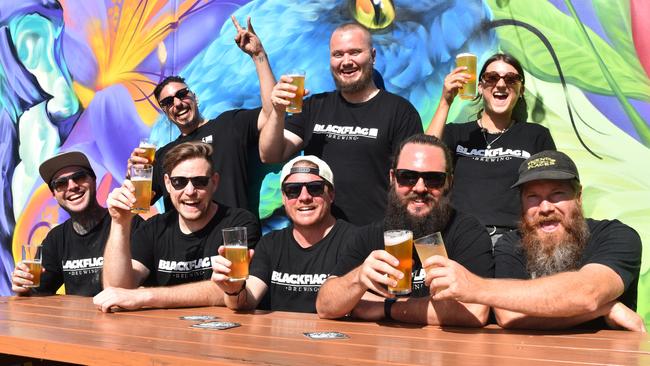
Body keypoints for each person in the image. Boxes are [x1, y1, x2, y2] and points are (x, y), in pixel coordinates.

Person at [424, 150, 645, 331]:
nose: (546, 207)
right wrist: (603, 309)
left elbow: (588, 293)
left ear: (578, 198)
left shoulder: (615, 235)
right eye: (533, 197)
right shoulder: (511, 244)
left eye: (557, 194)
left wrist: (475, 287)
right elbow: (509, 315)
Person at [316, 134, 493, 326]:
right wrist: (358, 279)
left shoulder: (468, 232)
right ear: (393, 178)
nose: (419, 187)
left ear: (449, 182)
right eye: (407, 177)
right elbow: (325, 306)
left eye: (433, 179)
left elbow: (476, 311)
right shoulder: (369, 235)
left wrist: (385, 307)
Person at [258, 23, 423, 226]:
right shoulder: (314, 107)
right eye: (338, 54)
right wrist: (277, 111)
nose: (346, 62)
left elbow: (413, 183)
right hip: (320, 237)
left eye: (355, 52)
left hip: (373, 237)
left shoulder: (399, 111)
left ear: (372, 55)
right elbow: (270, 154)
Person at [128, 16, 276, 214]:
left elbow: (271, 113)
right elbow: (139, 203)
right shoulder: (164, 155)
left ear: (194, 97)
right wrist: (134, 174)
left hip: (232, 238)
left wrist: (258, 54)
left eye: (182, 95)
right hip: (185, 244)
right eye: (168, 102)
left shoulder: (229, 124)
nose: (178, 103)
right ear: (165, 112)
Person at [93, 142, 261, 312]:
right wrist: (120, 223)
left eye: (200, 181)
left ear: (214, 182)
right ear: (167, 184)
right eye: (179, 182)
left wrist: (146, 296)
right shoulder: (153, 228)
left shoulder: (238, 224)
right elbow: (117, 289)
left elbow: (230, 289)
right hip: (162, 335)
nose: (190, 191)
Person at [425, 53, 555, 244]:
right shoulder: (456, 133)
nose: (501, 84)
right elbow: (425, 159)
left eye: (511, 79)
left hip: (514, 241)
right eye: (492, 78)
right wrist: (446, 101)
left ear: (521, 90)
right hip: (459, 238)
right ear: (480, 86)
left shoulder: (536, 136)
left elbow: (552, 191)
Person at [211, 156, 358, 313]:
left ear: (331, 195)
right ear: (283, 198)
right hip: (279, 336)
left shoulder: (355, 241)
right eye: (293, 190)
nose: (304, 197)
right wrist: (234, 290)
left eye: (315, 188)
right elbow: (247, 301)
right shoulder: (271, 243)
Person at [11, 151, 142, 296]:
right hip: (76, 318)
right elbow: (38, 293)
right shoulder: (56, 238)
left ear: (94, 180)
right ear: (54, 195)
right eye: (60, 183)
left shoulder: (130, 224)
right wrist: (23, 286)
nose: (72, 186)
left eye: (78, 177)